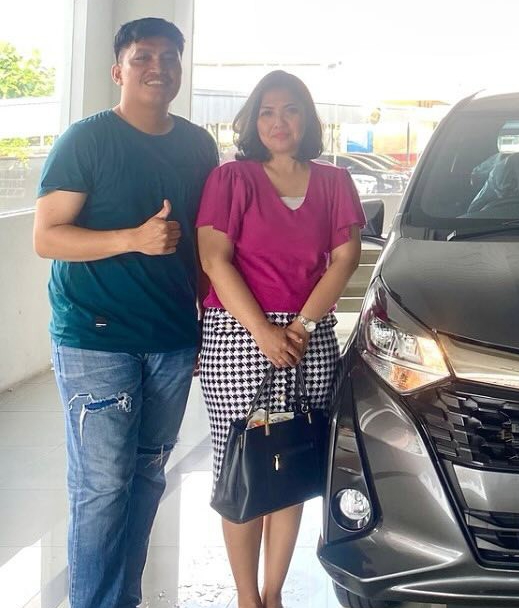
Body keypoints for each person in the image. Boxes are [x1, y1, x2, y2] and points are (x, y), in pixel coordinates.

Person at [31, 17, 219, 608]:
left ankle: (121, 599)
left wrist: (200, 325)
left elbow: (203, 246)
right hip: (95, 335)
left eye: (169, 57)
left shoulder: (198, 146)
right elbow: (47, 236)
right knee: (104, 485)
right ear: (119, 70)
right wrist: (133, 239)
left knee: (146, 475)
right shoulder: (86, 140)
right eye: (143, 57)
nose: (157, 67)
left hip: (171, 336)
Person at [196, 70, 364, 608]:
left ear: (307, 119)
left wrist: (301, 327)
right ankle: (248, 598)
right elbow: (214, 259)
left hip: (310, 337)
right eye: (267, 111)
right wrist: (263, 331)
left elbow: (346, 258)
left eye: (290, 109)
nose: (278, 121)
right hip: (238, 336)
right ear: (252, 120)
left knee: (289, 459)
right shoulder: (232, 179)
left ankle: (273, 595)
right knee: (242, 463)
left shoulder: (334, 182)